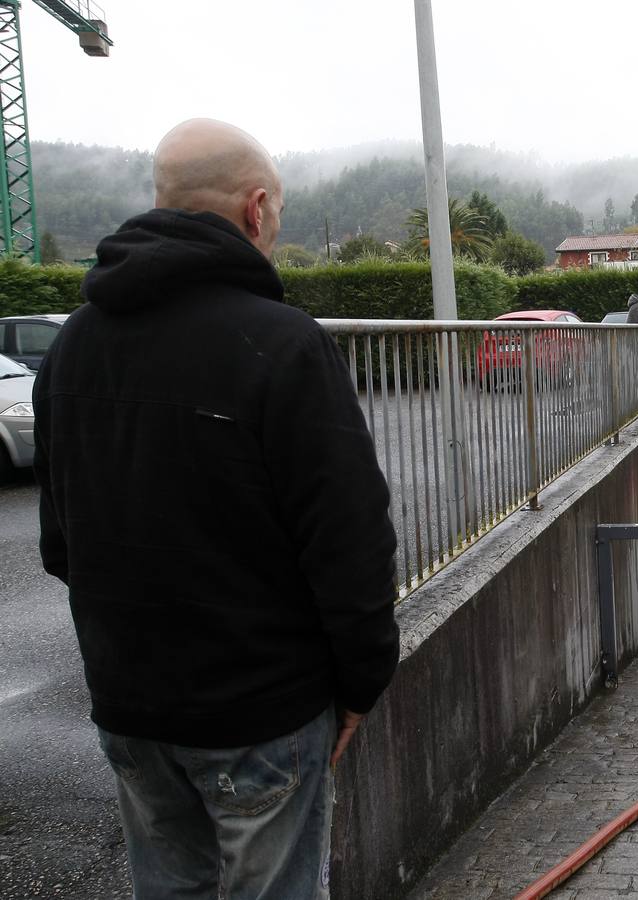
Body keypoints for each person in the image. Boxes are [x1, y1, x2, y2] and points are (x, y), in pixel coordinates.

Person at [32, 118, 399, 898]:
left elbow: (60, 542)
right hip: (261, 713)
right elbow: (349, 542)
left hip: (130, 708)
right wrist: (361, 683)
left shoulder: (73, 345)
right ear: (256, 208)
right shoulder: (285, 345)